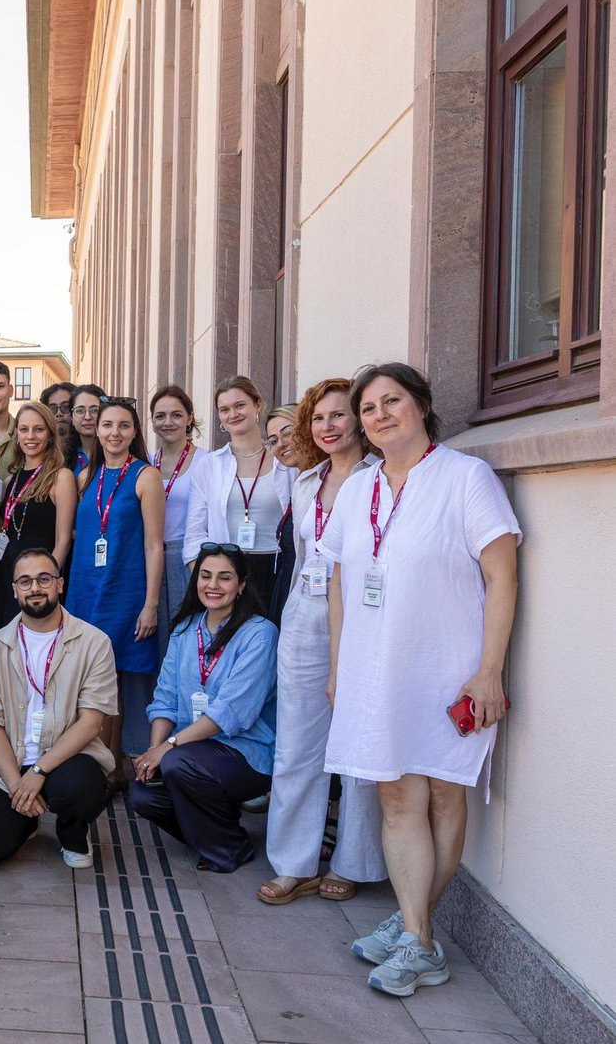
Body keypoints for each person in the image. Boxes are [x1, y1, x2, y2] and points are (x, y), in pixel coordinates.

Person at [321, 363, 520, 997]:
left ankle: (415, 933)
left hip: (446, 672)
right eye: (369, 407)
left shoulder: (466, 478)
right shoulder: (357, 489)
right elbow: (339, 582)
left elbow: (502, 578)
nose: (380, 415)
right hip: (374, 672)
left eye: (392, 401)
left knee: (442, 796)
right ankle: (418, 935)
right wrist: (337, 665)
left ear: (421, 406)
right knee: (395, 798)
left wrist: (489, 670)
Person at [259, 378, 385, 908]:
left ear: (358, 420)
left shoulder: (382, 478)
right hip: (305, 619)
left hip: (361, 619)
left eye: (338, 415)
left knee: (355, 746)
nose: (328, 427)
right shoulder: (305, 481)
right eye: (318, 419)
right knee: (296, 745)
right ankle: (293, 863)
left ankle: (353, 861)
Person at [0, 548, 118, 870]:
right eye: (26, 581)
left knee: (82, 786)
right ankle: (25, 819)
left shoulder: (94, 642)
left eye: (44, 579)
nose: (35, 587)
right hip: (9, 760)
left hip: (65, 758)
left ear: (60, 584)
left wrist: (38, 772)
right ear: (15, 590)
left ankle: (73, 831)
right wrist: (17, 784)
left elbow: (91, 723)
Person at [131, 543, 278, 872]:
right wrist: (155, 751)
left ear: (241, 585)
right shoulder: (185, 630)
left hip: (245, 752)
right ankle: (221, 826)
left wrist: (168, 748)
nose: (213, 585)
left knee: (179, 764)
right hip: (192, 752)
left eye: (224, 578)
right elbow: (165, 698)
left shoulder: (259, 634)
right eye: (205, 576)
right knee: (144, 795)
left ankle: (228, 849)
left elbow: (231, 711)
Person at [66, 398, 164, 785]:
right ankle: (89, 762)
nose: (114, 433)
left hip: (126, 592)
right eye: (107, 425)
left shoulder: (145, 476)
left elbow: (154, 545)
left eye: (123, 426)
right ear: (96, 430)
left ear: (135, 432)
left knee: (115, 683)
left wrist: (151, 604)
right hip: (85, 591)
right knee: (88, 678)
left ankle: (109, 771)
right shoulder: (84, 475)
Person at [183, 376, 296, 614]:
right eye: (224, 409)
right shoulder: (209, 466)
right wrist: (210, 582)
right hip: (228, 573)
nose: (232, 413)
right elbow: (194, 535)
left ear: (258, 405)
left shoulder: (286, 460)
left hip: (278, 570)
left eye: (240, 405)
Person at [0, 402, 76, 635]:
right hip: (4, 575)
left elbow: (63, 540)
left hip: (34, 581)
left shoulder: (60, 477)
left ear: (50, 434)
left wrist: (46, 580)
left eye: (38, 430)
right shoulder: (14, 475)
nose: (30, 436)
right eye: (24, 430)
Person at [149, 384, 203, 662]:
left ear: (189, 418)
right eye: (160, 416)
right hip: (152, 556)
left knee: (188, 637)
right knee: (156, 640)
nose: (167, 422)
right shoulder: (147, 463)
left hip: (187, 558)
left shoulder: (206, 462)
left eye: (175, 415)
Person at [67, 384, 106, 473]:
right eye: (80, 411)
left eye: (95, 410)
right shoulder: (62, 459)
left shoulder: (117, 454)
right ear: (71, 418)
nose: (87, 417)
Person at [40, 382, 77, 465]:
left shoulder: (85, 452)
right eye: (53, 408)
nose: (59, 413)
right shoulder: (39, 451)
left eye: (66, 407)